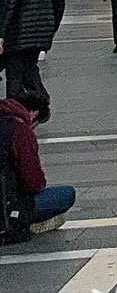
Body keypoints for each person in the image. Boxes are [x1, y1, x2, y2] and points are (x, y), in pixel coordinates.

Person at [0, 0, 66, 107]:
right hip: (41, 33)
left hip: (18, 32)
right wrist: (51, 28)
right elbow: (60, 4)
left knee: (14, 73)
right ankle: (40, 102)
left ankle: (15, 110)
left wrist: (1, 34)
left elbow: (10, 5)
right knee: (30, 68)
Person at [0, 86, 75, 235]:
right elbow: (33, 182)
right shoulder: (20, 130)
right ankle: (28, 222)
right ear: (33, 113)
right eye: (35, 125)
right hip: (7, 205)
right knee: (66, 194)